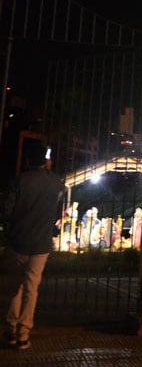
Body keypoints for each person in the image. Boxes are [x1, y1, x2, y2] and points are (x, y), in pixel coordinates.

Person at [2, 142, 64, 350]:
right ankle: (23, 333)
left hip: (18, 241)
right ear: (46, 160)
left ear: (28, 160)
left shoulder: (19, 181)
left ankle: (10, 327)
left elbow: (6, 211)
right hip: (41, 244)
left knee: (14, 287)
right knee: (31, 288)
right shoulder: (56, 182)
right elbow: (57, 211)